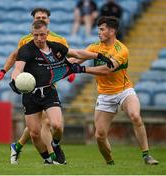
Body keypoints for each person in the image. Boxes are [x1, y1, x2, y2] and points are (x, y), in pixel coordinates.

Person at [10, 20, 114, 165]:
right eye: (36, 35)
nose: (39, 38)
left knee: (57, 126)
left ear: (47, 33)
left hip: (49, 92)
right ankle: (48, 159)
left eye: (42, 35)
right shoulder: (26, 50)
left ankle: (55, 145)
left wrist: (98, 56)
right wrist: (15, 81)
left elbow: (77, 53)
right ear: (32, 34)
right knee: (34, 133)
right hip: (30, 95)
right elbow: (17, 69)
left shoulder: (56, 47)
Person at [70, 16, 159, 165]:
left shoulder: (121, 49)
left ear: (112, 31)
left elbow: (107, 69)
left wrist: (82, 69)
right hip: (105, 95)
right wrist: (62, 64)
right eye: (98, 29)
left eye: (102, 29)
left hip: (124, 91)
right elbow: (76, 59)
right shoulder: (94, 47)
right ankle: (110, 164)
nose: (98, 32)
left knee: (135, 115)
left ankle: (146, 155)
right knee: (99, 135)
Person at [0, 7, 75, 165]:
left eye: (44, 17)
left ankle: (19, 146)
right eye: (39, 17)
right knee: (41, 124)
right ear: (33, 20)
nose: (42, 19)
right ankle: (53, 157)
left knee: (43, 123)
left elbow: (68, 58)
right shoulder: (26, 40)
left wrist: (70, 71)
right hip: (31, 87)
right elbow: (15, 56)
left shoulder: (59, 40)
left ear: (48, 20)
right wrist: (4, 70)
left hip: (50, 85)